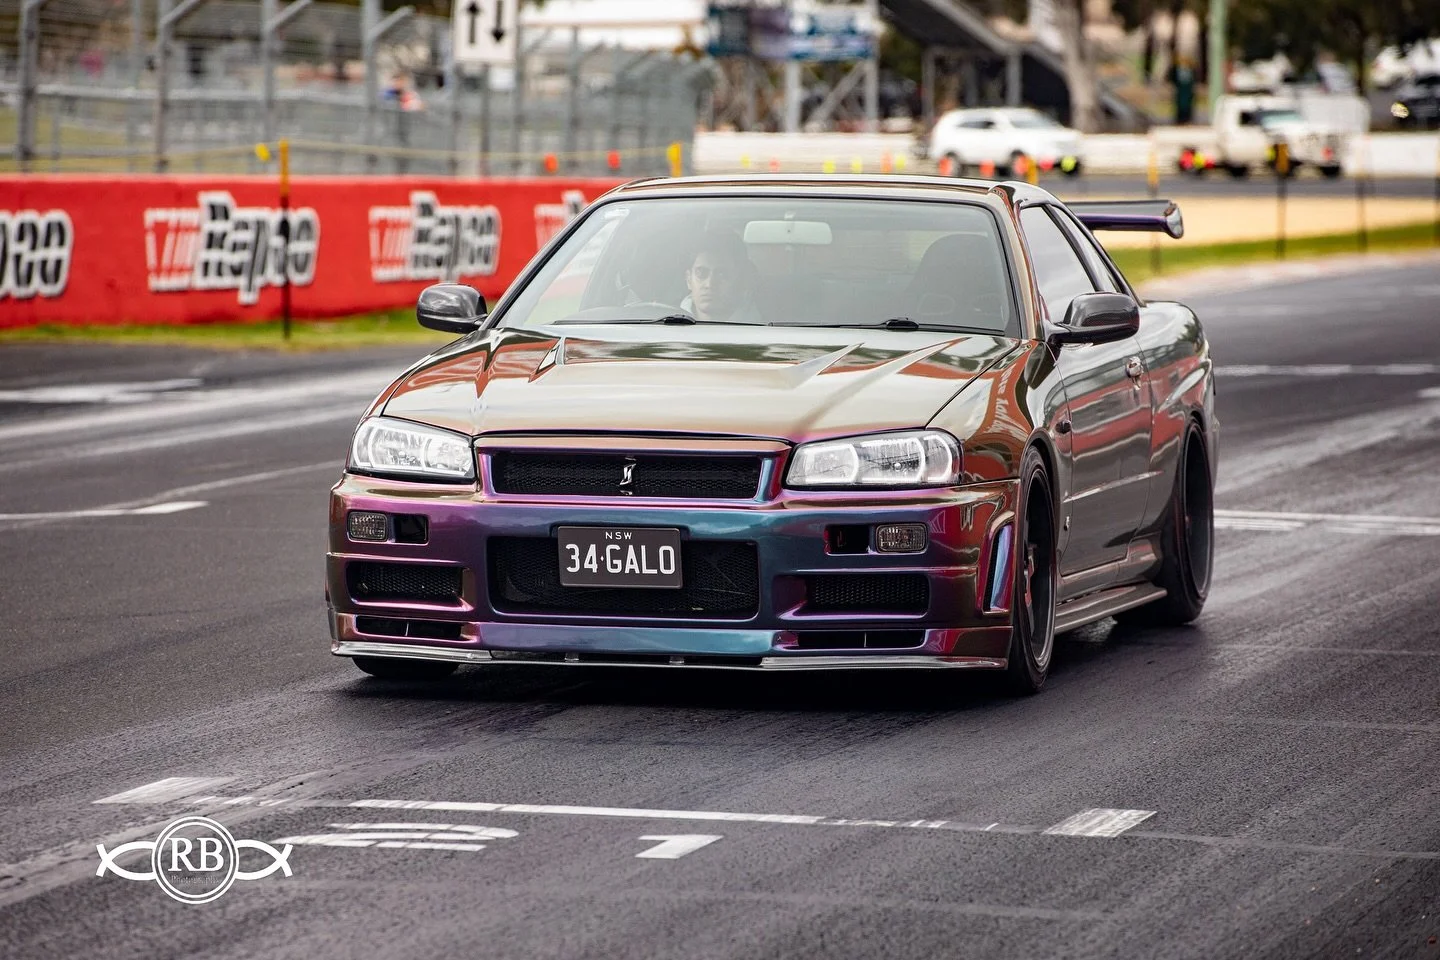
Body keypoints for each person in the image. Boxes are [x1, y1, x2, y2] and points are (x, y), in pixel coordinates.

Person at [680, 232, 762, 323]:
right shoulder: (665, 327)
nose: (709, 284)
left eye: (721, 275)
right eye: (701, 273)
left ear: (742, 281)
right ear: (688, 279)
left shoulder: (768, 330)